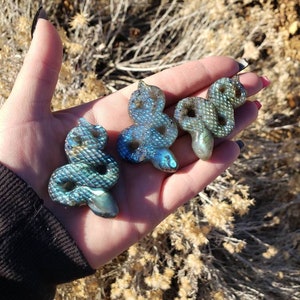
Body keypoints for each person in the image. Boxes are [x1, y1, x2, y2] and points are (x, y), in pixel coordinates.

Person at [0, 8, 269, 300]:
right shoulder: (95, 172)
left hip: (152, 128)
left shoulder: (161, 133)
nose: (168, 163)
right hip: (118, 142)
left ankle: (221, 95)